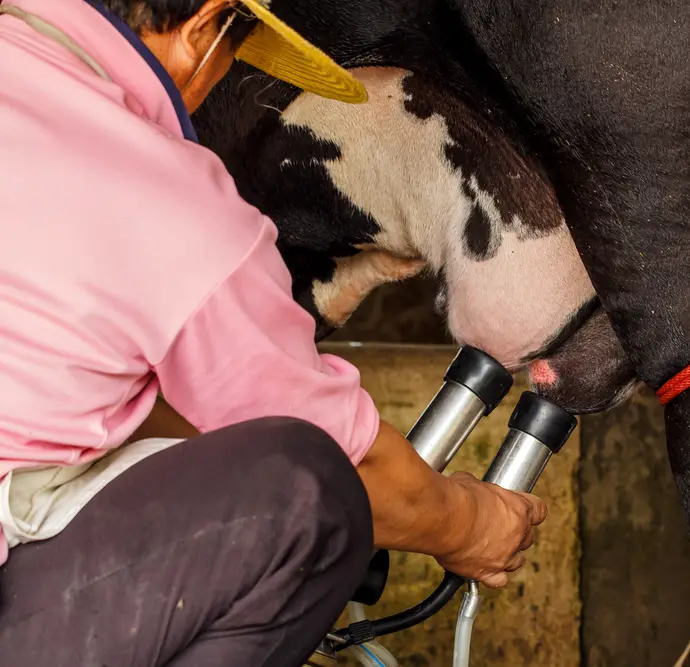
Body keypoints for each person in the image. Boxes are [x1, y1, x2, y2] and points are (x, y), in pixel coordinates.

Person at [0, 0, 549, 665]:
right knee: (308, 495)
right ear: (203, 28)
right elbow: (349, 457)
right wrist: (471, 524)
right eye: (239, 49)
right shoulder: (169, 197)